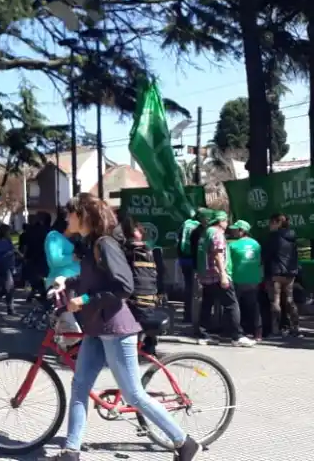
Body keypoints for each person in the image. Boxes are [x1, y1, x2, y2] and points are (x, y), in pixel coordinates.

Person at [47, 193, 201, 461]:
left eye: (70, 213)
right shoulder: (93, 243)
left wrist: (83, 300)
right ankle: (71, 451)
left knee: (133, 395)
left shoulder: (105, 243)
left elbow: (123, 286)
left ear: (82, 215)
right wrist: (67, 282)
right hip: (96, 327)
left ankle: (184, 442)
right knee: (80, 386)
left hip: (117, 327)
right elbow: (92, 279)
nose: (66, 218)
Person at [197, 211, 254, 347]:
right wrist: (223, 275)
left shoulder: (206, 233)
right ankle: (237, 336)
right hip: (218, 274)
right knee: (231, 304)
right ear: (220, 221)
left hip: (206, 275)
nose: (227, 224)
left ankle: (204, 335)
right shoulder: (217, 234)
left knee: (207, 304)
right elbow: (218, 254)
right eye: (226, 221)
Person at [122, 221, 163, 357]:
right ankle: (149, 345)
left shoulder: (125, 251)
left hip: (136, 297)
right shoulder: (152, 251)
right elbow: (160, 273)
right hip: (150, 296)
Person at [262, 212, 300, 338]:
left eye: (271, 223)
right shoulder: (292, 237)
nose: (269, 225)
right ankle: (295, 328)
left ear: (277, 223)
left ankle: (275, 329)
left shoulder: (273, 237)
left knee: (275, 301)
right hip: (290, 273)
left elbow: (266, 255)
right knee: (289, 300)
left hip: (275, 272)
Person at [226, 220, 263, 341]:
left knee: (235, 307)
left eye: (236, 229)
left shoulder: (232, 245)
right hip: (254, 280)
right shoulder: (256, 244)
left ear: (242, 231)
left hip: (237, 279)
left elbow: (228, 263)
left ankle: (236, 331)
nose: (233, 232)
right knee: (253, 306)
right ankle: (258, 333)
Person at [176, 213, 201, 323]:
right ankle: (195, 317)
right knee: (196, 289)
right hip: (195, 260)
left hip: (183, 259)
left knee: (189, 287)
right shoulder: (199, 227)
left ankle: (187, 316)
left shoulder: (185, 224)